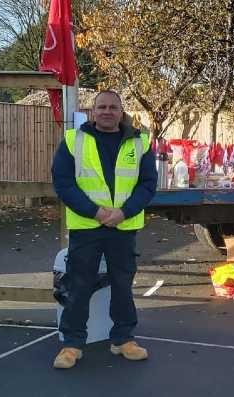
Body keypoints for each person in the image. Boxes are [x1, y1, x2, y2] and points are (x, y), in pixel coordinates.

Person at [51, 90, 157, 369]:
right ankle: (72, 344)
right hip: (87, 226)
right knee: (79, 284)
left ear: (121, 111)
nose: (107, 111)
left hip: (123, 226)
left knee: (122, 285)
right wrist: (96, 212)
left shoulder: (141, 142)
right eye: (102, 107)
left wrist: (123, 212)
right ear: (92, 111)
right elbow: (63, 184)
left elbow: (147, 185)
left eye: (113, 107)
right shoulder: (74, 141)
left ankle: (123, 339)